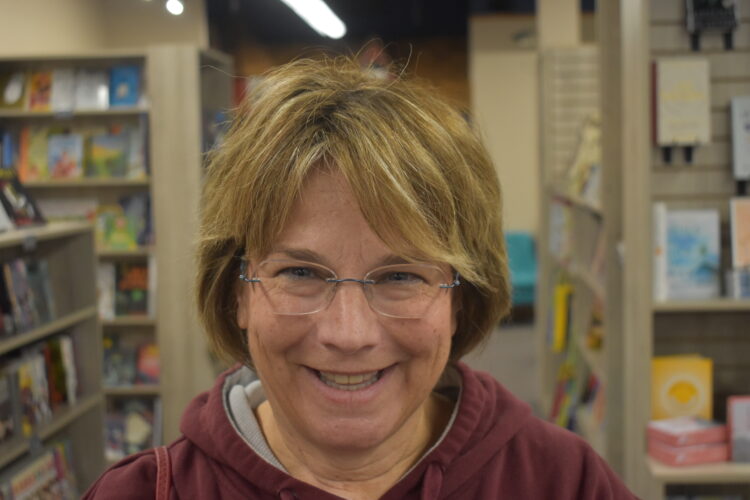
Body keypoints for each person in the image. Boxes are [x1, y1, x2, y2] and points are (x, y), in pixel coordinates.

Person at [84, 56, 638, 499]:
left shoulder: (565, 482)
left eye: (399, 276)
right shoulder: (143, 493)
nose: (348, 334)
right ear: (237, 295)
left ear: (460, 300)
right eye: (300, 271)